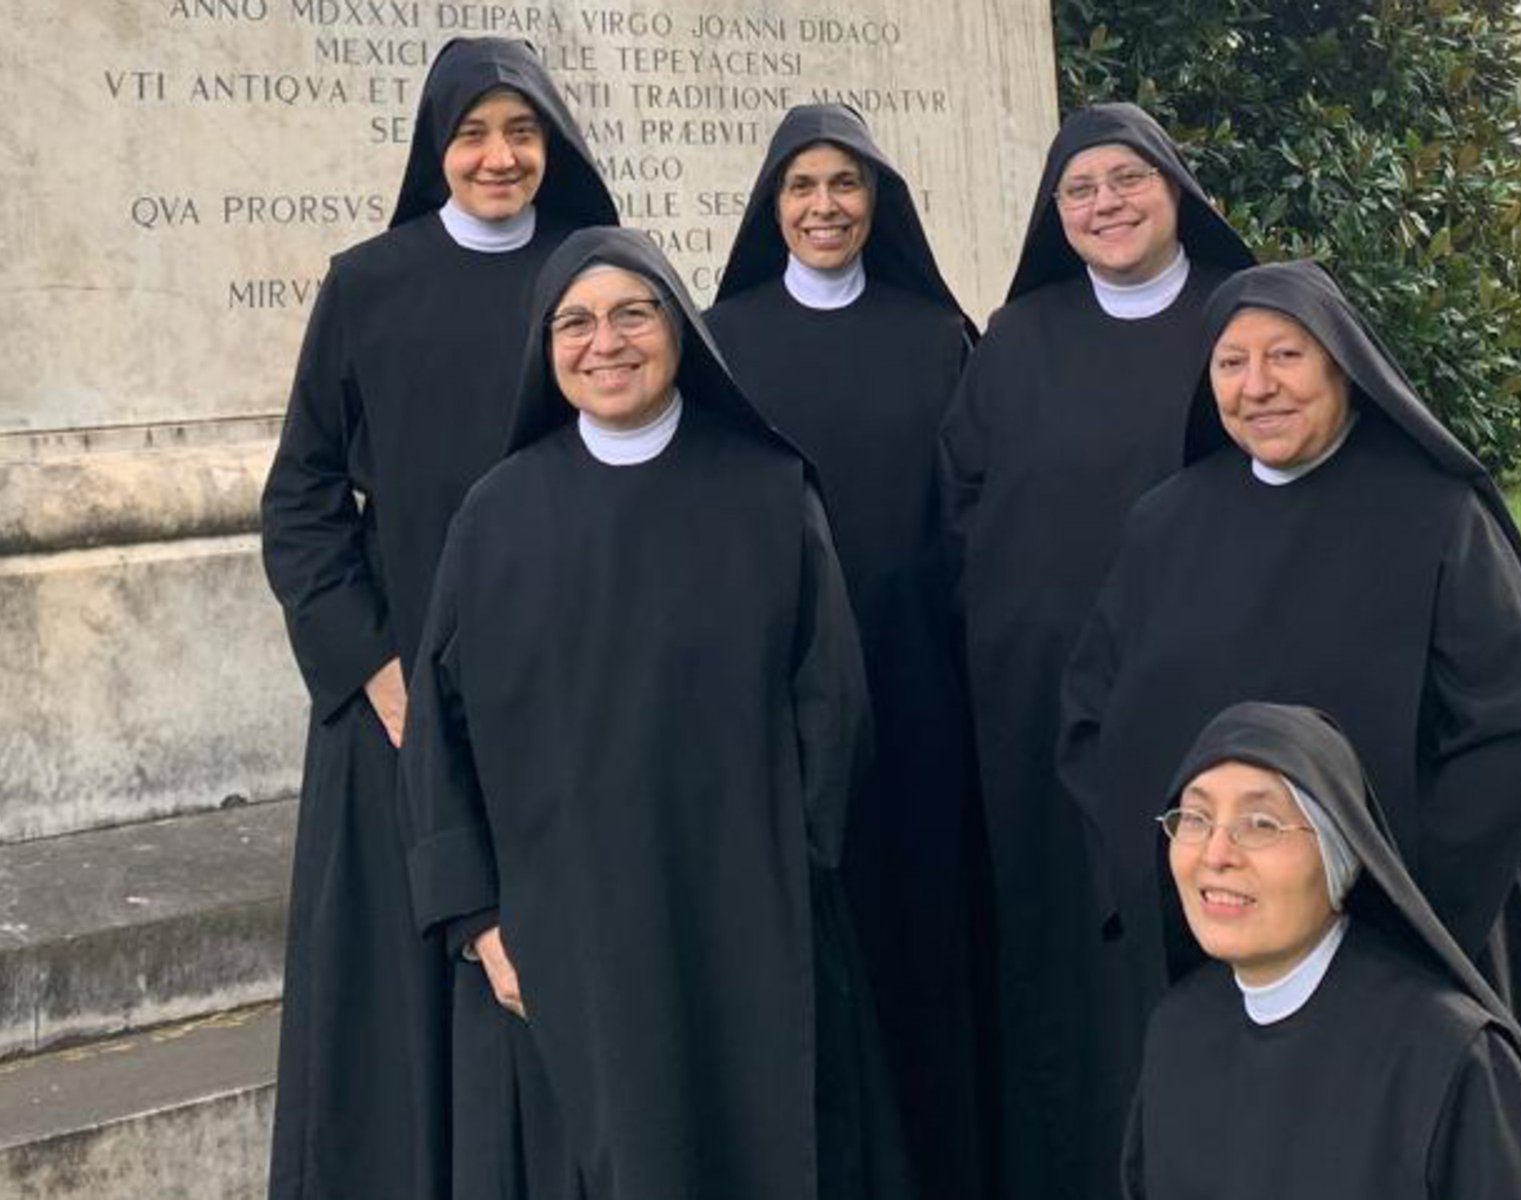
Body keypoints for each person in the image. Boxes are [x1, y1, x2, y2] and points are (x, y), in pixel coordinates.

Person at [1059, 259, 1521, 1194]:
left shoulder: (1436, 511)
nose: (1257, 385)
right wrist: (1174, 875)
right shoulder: (1165, 523)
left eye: (1286, 355)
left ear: (1345, 366)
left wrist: (1393, 896)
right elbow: (1091, 717)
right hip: (1231, 937)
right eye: (1231, 363)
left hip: (1415, 925)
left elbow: (1511, 727)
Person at [401, 226, 912, 1200]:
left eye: (633, 314)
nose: (607, 343)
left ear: (678, 330)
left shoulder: (768, 493)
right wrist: (478, 920)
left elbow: (831, 706)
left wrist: (790, 872)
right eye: (577, 323)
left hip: (746, 916)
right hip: (561, 928)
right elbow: (440, 733)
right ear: (546, 351)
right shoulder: (497, 514)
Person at [259, 37, 616, 1200]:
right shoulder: (368, 282)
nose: (499, 157)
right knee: (400, 1000)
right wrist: (373, 666)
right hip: (399, 708)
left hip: (562, 694)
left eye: (521, 133)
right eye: (472, 134)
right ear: (435, 150)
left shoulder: (590, 278)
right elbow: (302, 497)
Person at [937, 101, 1254, 1200]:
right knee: (1070, 953)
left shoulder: (1240, 323)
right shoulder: (1016, 337)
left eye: (1127, 181)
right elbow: (961, 504)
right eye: (1079, 190)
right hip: (1037, 702)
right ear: (1052, 213)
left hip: (1214, 686)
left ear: (1177, 191)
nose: (1105, 205)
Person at [706, 102, 982, 1200]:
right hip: (779, 697)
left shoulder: (936, 337)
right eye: (801, 188)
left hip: (918, 686)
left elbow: (971, 515)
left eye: (845, 186)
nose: (824, 208)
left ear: (879, 202)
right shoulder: (724, 338)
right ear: (772, 208)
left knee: (920, 930)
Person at [1125, 701, 1521, 1199]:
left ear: (1339, 855)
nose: (1216, 854)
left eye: (1260, 823)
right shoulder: (1177, 1031)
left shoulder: (1453, 1059)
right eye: (1195, 818)